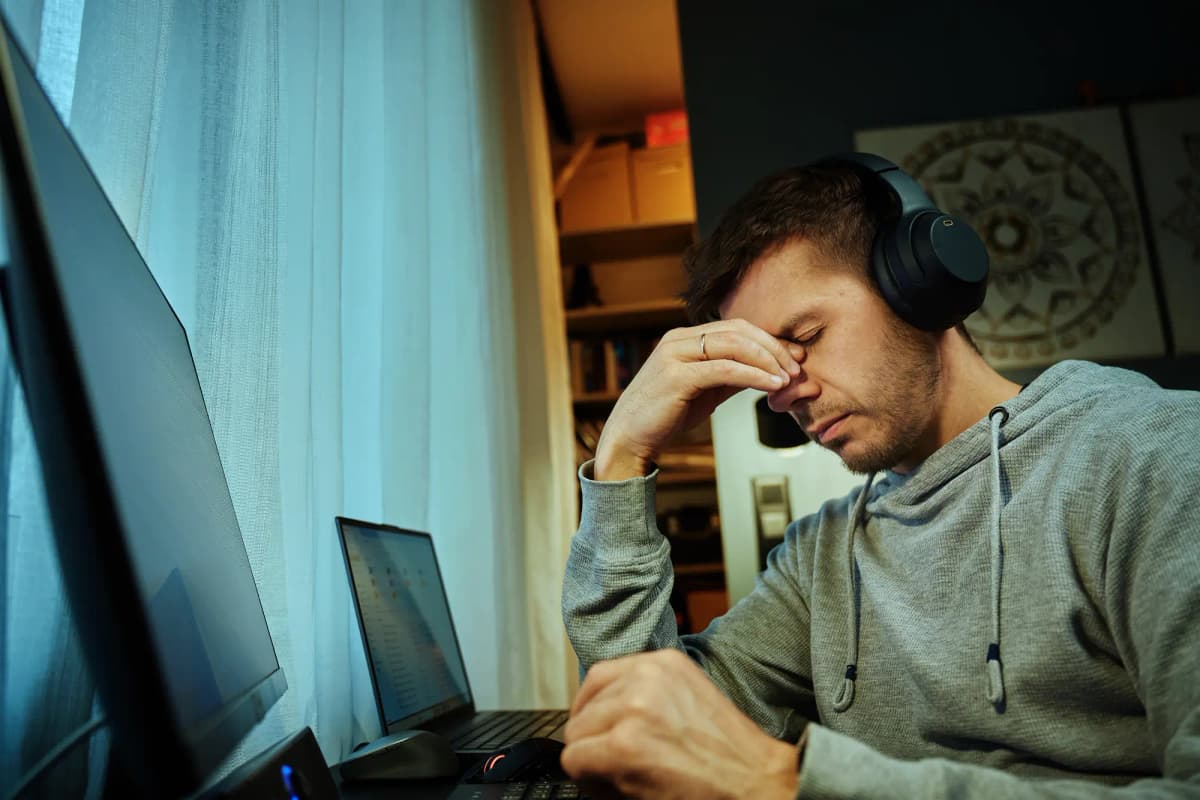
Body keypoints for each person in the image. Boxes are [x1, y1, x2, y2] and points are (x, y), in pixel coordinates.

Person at [558, 156, 1200, 799]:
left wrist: (785, 784)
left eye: (805, 335)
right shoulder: (823, 555)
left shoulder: (1155, 458)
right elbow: (645, 728)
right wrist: (622, 457)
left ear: (918, 284)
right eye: (766, 367)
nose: (784, 393)